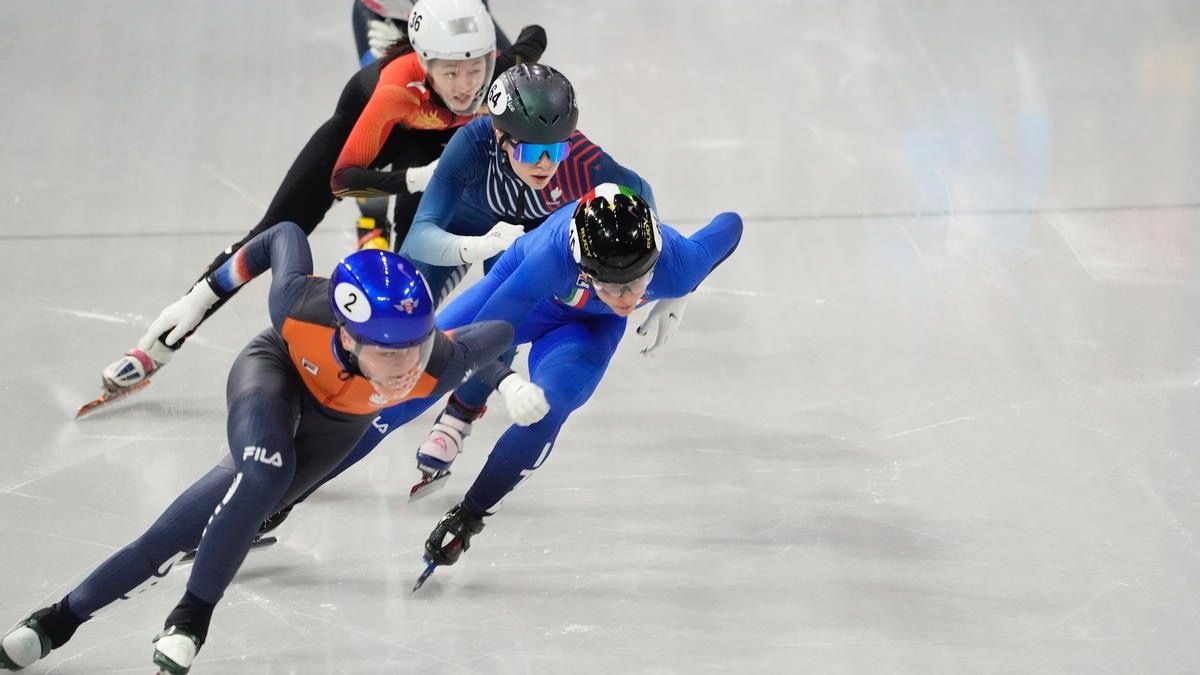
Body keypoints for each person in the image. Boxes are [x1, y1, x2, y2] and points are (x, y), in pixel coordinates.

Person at [0, 223, 515, 673]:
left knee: (201, 521)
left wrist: (506, 381)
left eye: (415, 348)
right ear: (347, 338)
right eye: (388, 353)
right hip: (275, 374)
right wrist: (201, 297)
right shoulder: (298, 305)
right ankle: (190, 619)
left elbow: (499, 332)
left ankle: (55, 623)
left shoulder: (434, 362)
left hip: (337, 428)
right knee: (264, 472)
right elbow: (283, 233)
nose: (406, 368)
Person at [90, 0, 545, 410]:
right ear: (425, 61)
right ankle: (156, 347)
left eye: (475, 70)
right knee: (271, 230)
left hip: (432, 137)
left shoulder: (498, 72)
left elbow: (533, 38)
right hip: (377, 131)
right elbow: (342, 179)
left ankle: (404, 356)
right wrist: (417, 178)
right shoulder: (394, 88)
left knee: (416, 252)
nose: (465, 87)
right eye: (450, 72)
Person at [379, 184, 741, 570]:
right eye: (611, 285)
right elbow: (476, 340)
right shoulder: (549, 258)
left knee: (546, 408)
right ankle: (456, 414)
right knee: (424, 363)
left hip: (588, 327)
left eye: (637, 283)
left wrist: (681, 290)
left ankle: (469, 514)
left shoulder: (678, 265)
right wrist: (504, 382)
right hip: (531, 290)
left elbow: (730, 225)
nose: (625, 298)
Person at [349, 0, 514, 248]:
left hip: (455, 18)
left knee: (509, 88)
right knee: (385, 106)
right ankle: (373, 220)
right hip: (389, 14)